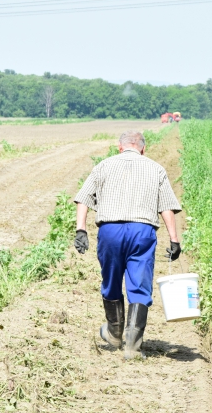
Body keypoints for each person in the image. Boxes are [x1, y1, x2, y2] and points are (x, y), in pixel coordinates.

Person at [73, 130, 182, 360]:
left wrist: (81, 229)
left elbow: (83, 197)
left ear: (120, 147)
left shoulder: (103, 166)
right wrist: (174, 239)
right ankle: (132, 347)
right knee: (140, 285)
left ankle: (114, 334)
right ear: (143, 148)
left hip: (110, 231)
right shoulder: (156, 168)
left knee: (111, 281)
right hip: (142, 232)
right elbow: (166, 208)